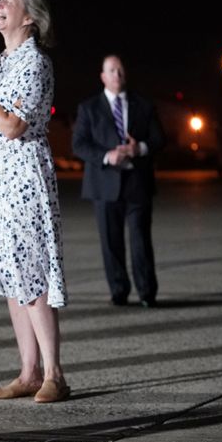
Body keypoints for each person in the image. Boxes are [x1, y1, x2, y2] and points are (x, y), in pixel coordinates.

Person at [0, 0, 70, 404]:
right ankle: (28, 372)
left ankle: (55, 374)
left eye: (8, 2)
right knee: (12, 276)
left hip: (24, 183)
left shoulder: (34, 63)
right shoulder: (2, 63)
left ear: (29, 17)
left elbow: (12, 125)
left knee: (33, 277)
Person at [72, 55, 165, 307]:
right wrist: (106, 156)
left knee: (140, 241)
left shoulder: (143, 105)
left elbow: (159, 139)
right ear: (103, 76)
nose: (117, 75)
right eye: (112, 71)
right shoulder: (88, 108)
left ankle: (147, 293)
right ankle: (119, 291)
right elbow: (78, 145)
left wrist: (140, 149)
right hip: (104, 184)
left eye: (121, 70)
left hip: (137, 182)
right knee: (110, 243)